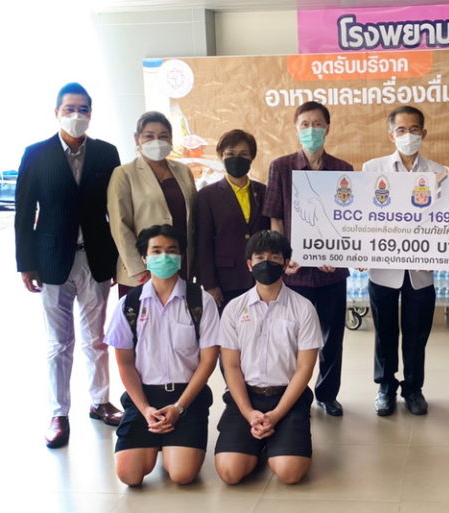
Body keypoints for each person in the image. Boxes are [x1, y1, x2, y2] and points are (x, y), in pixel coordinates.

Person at [15, 82, 123, 449]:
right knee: (59, 343)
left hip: (95, 258)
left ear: (91, 113)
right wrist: (26, 264)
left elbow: (115, 209)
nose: (76, 115)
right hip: (52, 261)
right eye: (69, 109)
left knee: (97, 338)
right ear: (57, 112)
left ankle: (100, 401)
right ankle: (58, 413)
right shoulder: (36, 154)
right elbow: (25, 212)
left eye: (83, 109)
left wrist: (117, 258)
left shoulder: (106, 153)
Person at [105, 224, 219, 486]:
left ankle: (169, 444)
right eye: (156, 251)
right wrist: (145, 409)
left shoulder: (200, 301)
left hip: (187, 396)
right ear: (144, 258)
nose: (164, 256)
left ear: (181, 256)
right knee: (129, 476)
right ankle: (157, 440)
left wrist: (179, 407)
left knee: (182, 475)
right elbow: (125, 363)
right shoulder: (129, 304)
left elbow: (208, 361)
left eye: (171, 250)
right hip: (144, 396)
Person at [263, 101, 353, 417]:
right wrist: (283, 257)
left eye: (317, 124)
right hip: (295, 272)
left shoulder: (343, 169)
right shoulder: (281, 167)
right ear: (296, 128)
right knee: (291, 337)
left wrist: (337, 254)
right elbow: (275, 217)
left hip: (332, 272)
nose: (311, 130)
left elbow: (349, 220)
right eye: (305, 124)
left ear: (327, 128)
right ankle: (292, 395)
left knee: (332, 338)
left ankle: (327, 394)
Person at [215, 230, 321, 485]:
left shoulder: (303, 308)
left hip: (287, 396)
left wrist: (275, 414)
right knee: (230, 473)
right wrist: (248, 412)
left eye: (275, 258)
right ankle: (259, 442)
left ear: (286, 264)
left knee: (290, 473)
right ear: (249, 264)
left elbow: (305, 368)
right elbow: (231, 366)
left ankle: (275, 439)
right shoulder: (234, 309)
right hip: (246, 395)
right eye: (260, 257)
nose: (267, 263)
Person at [361, 106, 445, 416]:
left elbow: (447, 221)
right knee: (384, 332)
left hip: (421, 271)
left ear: (424, 133)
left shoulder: (439, 172)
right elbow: (361, 216)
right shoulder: (372, 169)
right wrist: (359, 250)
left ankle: (413, 388)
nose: (407, 135)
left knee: (417, 333)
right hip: (383, 269)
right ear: (391, 135)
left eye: (414, 129)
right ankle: (385, 386)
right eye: (401, 130)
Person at [107, 111, 197, 296]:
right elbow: (120, 226)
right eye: (149, 136)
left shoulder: (183, 171)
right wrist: (139, 267)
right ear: (137, 139)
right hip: (144, 270)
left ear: (171, 140)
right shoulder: (124, 174)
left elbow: (194, 218)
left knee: (180, 313)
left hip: (179, 263)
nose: (157, 141)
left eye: (163, 136)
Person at [196, 129, 270, 310]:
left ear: (252, 157)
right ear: (221, 156)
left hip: (261, 278)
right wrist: (210, 284)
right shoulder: (207, 195)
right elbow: (203, 242)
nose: (237, 158)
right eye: (230, 154)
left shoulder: (264, 192)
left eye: (244, 154)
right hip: (225, 281)